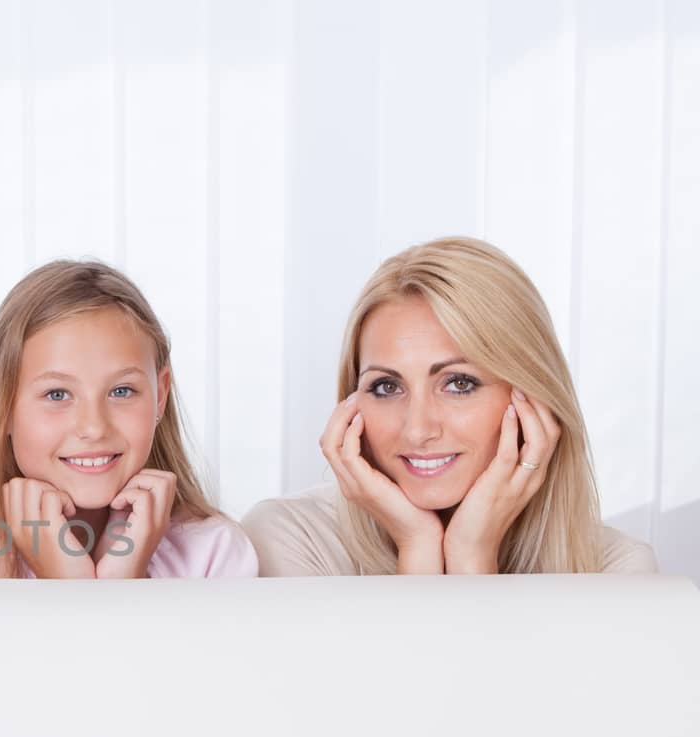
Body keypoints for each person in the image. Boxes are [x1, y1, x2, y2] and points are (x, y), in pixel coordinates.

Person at [243, 236, 657, 576]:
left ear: (533, 398)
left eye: (459, 383)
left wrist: (471, 556)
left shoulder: (615, 570)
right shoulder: (290, 539)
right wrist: (417, 545)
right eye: (387, 387)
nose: (417, 429)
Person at [0, 259, 256, 579]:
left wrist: (123, 583)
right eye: (57, 395)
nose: (93, 427)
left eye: (121, 391)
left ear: (160, 394)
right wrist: (66, 586)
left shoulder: (215, 554)